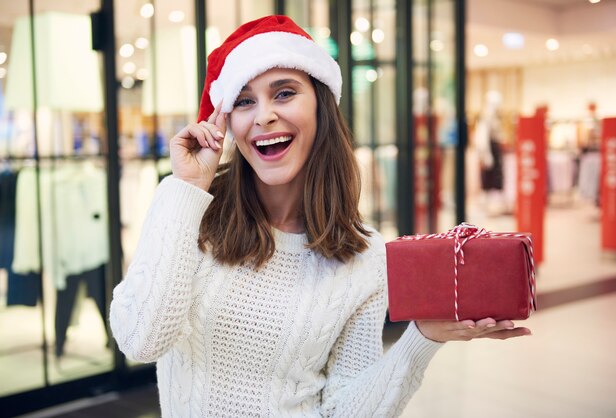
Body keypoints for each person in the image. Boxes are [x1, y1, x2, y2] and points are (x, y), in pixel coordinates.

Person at [110, 15, 531, 417]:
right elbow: (140, 340)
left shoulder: (364, 256)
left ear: (320, 107)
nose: (264, 115)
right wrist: (185, 188)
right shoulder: (189, 214)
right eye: (244, 101)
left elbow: (342, 410)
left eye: (284, 92)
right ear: (227, 123)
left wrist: (421, 340)